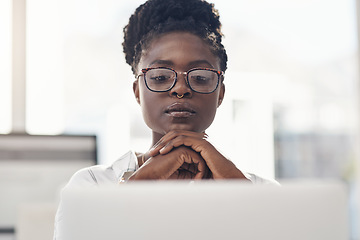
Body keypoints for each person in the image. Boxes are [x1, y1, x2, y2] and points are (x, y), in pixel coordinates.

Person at [54, 0, 277, 238]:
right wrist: (139, 185)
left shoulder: (264, 193)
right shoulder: (92, 186)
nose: (180, 88)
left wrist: (245, 197)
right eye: (160, 76)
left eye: (200, 77)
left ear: (220, 93)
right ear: (137, 91)